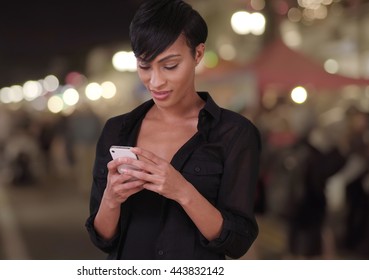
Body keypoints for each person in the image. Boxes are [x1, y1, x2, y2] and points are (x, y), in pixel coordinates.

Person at [85, 0, 261, 260]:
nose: (155, 81)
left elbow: (237, 242)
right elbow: (102, 238)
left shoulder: (234, 134)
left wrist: (182, 191)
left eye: (169, 66)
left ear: (198, 54)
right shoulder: (117, 130)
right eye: (144, 66)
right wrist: (111, 198)